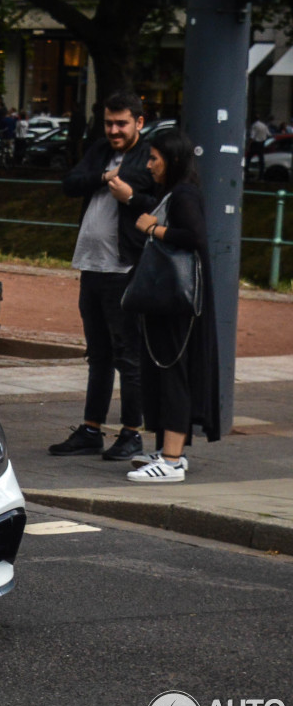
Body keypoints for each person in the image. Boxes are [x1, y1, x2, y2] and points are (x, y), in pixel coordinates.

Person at [48, 90, 158, 460]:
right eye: (109, 123)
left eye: (121, 123)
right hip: (92, 265)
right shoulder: (99, 151)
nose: (114, 130)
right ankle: (91, 429)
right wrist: (105, 176)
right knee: (98, 354)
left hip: (125, 267)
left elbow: (156, 201)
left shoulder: (149, 155)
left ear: (139, 123)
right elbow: (70, 183)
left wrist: (128, 195)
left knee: (129, 354)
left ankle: (132, 432)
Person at [124, 130, 222, 481]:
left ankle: (171, 459)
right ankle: (171, 451)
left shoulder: (183, 194)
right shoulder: (176, 192)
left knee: (173, 371)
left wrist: (154, 230)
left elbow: (194, 237)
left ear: (173, 160)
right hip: (173, 300)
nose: (149, 165)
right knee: (166, 370)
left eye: (155, 159)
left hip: (178, 302)